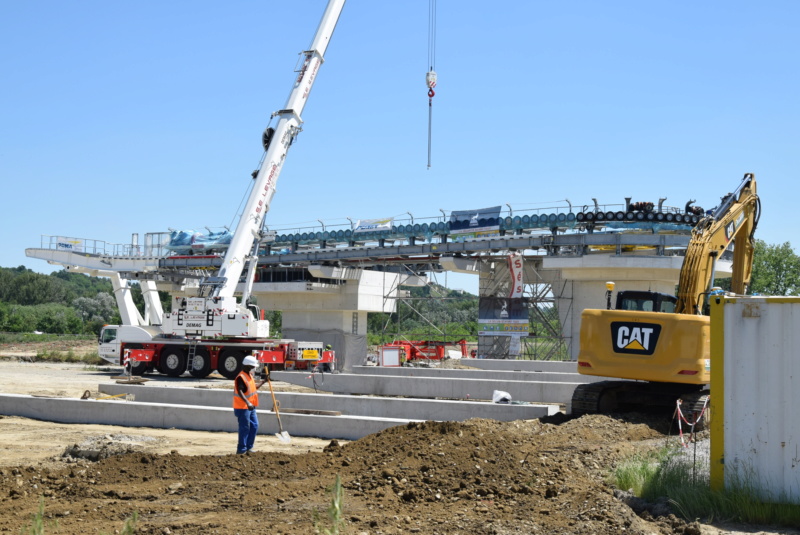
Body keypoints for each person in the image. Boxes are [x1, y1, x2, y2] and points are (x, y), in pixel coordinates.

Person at [233, 355, 266, 454]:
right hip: (242, 407)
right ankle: (241, 449)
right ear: (247, 366)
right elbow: (240, 391)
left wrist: (263, 382)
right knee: (245, 427)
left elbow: (253, 388)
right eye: (252, 366)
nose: (253, 368)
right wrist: (247, 402)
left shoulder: (249, 375)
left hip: (251, 407)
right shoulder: (241, 377)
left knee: (254, 425)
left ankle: (249, 447)